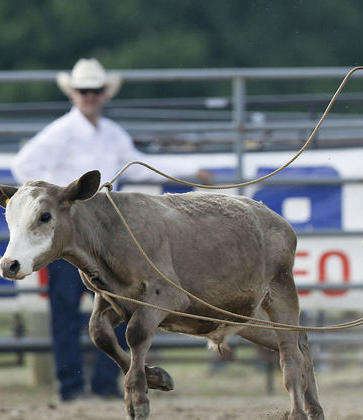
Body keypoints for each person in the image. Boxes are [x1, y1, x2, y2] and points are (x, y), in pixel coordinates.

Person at [11, 58, 214, 401]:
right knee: (68, 309)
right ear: (74, 94)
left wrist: (192, 169)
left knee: (115, 308)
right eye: (84, 91)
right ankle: (71, 387)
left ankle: (104, 384)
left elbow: (140, 165)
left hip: (104, 235)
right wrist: (56, 200)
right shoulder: (61, 133)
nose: (90, 96)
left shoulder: (111, 134)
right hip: (67, 234)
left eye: (95, 91)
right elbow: (23, 166)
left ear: (103, 94)